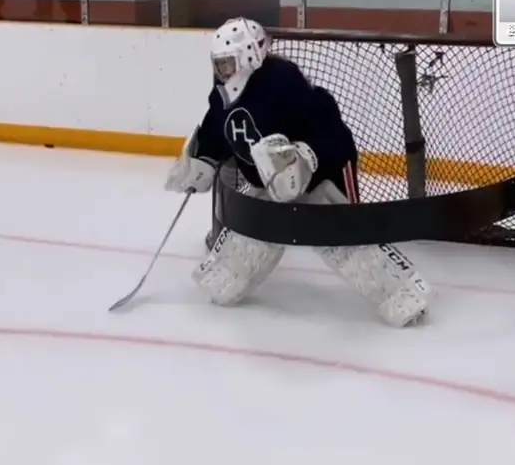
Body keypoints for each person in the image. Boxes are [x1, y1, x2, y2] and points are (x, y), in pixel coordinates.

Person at [164, 17, 429, 327]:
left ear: (249, 56)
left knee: (343, 235)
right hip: (269, 182)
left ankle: (403, 292)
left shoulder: (282, 83)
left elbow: (333, 133)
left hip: (322, 174)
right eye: (218, 63)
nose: (222, 71)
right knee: (254, 228)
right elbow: (218, 128)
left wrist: (308, 158)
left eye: (227, 63)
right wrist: (203, 158)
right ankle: (227, 277)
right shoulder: (223, 93)